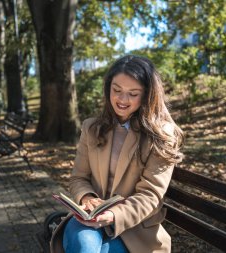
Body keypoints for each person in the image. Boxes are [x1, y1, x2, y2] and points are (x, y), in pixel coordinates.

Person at [50, 55, 184, 253]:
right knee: (84, 246)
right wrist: (87, 198)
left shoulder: (162, 135)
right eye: (117, 90)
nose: (122, 99)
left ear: (148, 94)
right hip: (88, 220)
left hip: (134, 228)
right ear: (108, 88)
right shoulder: (92, 128)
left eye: (133, 93)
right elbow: (79, 177)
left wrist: (112, 215)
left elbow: (150, 194)